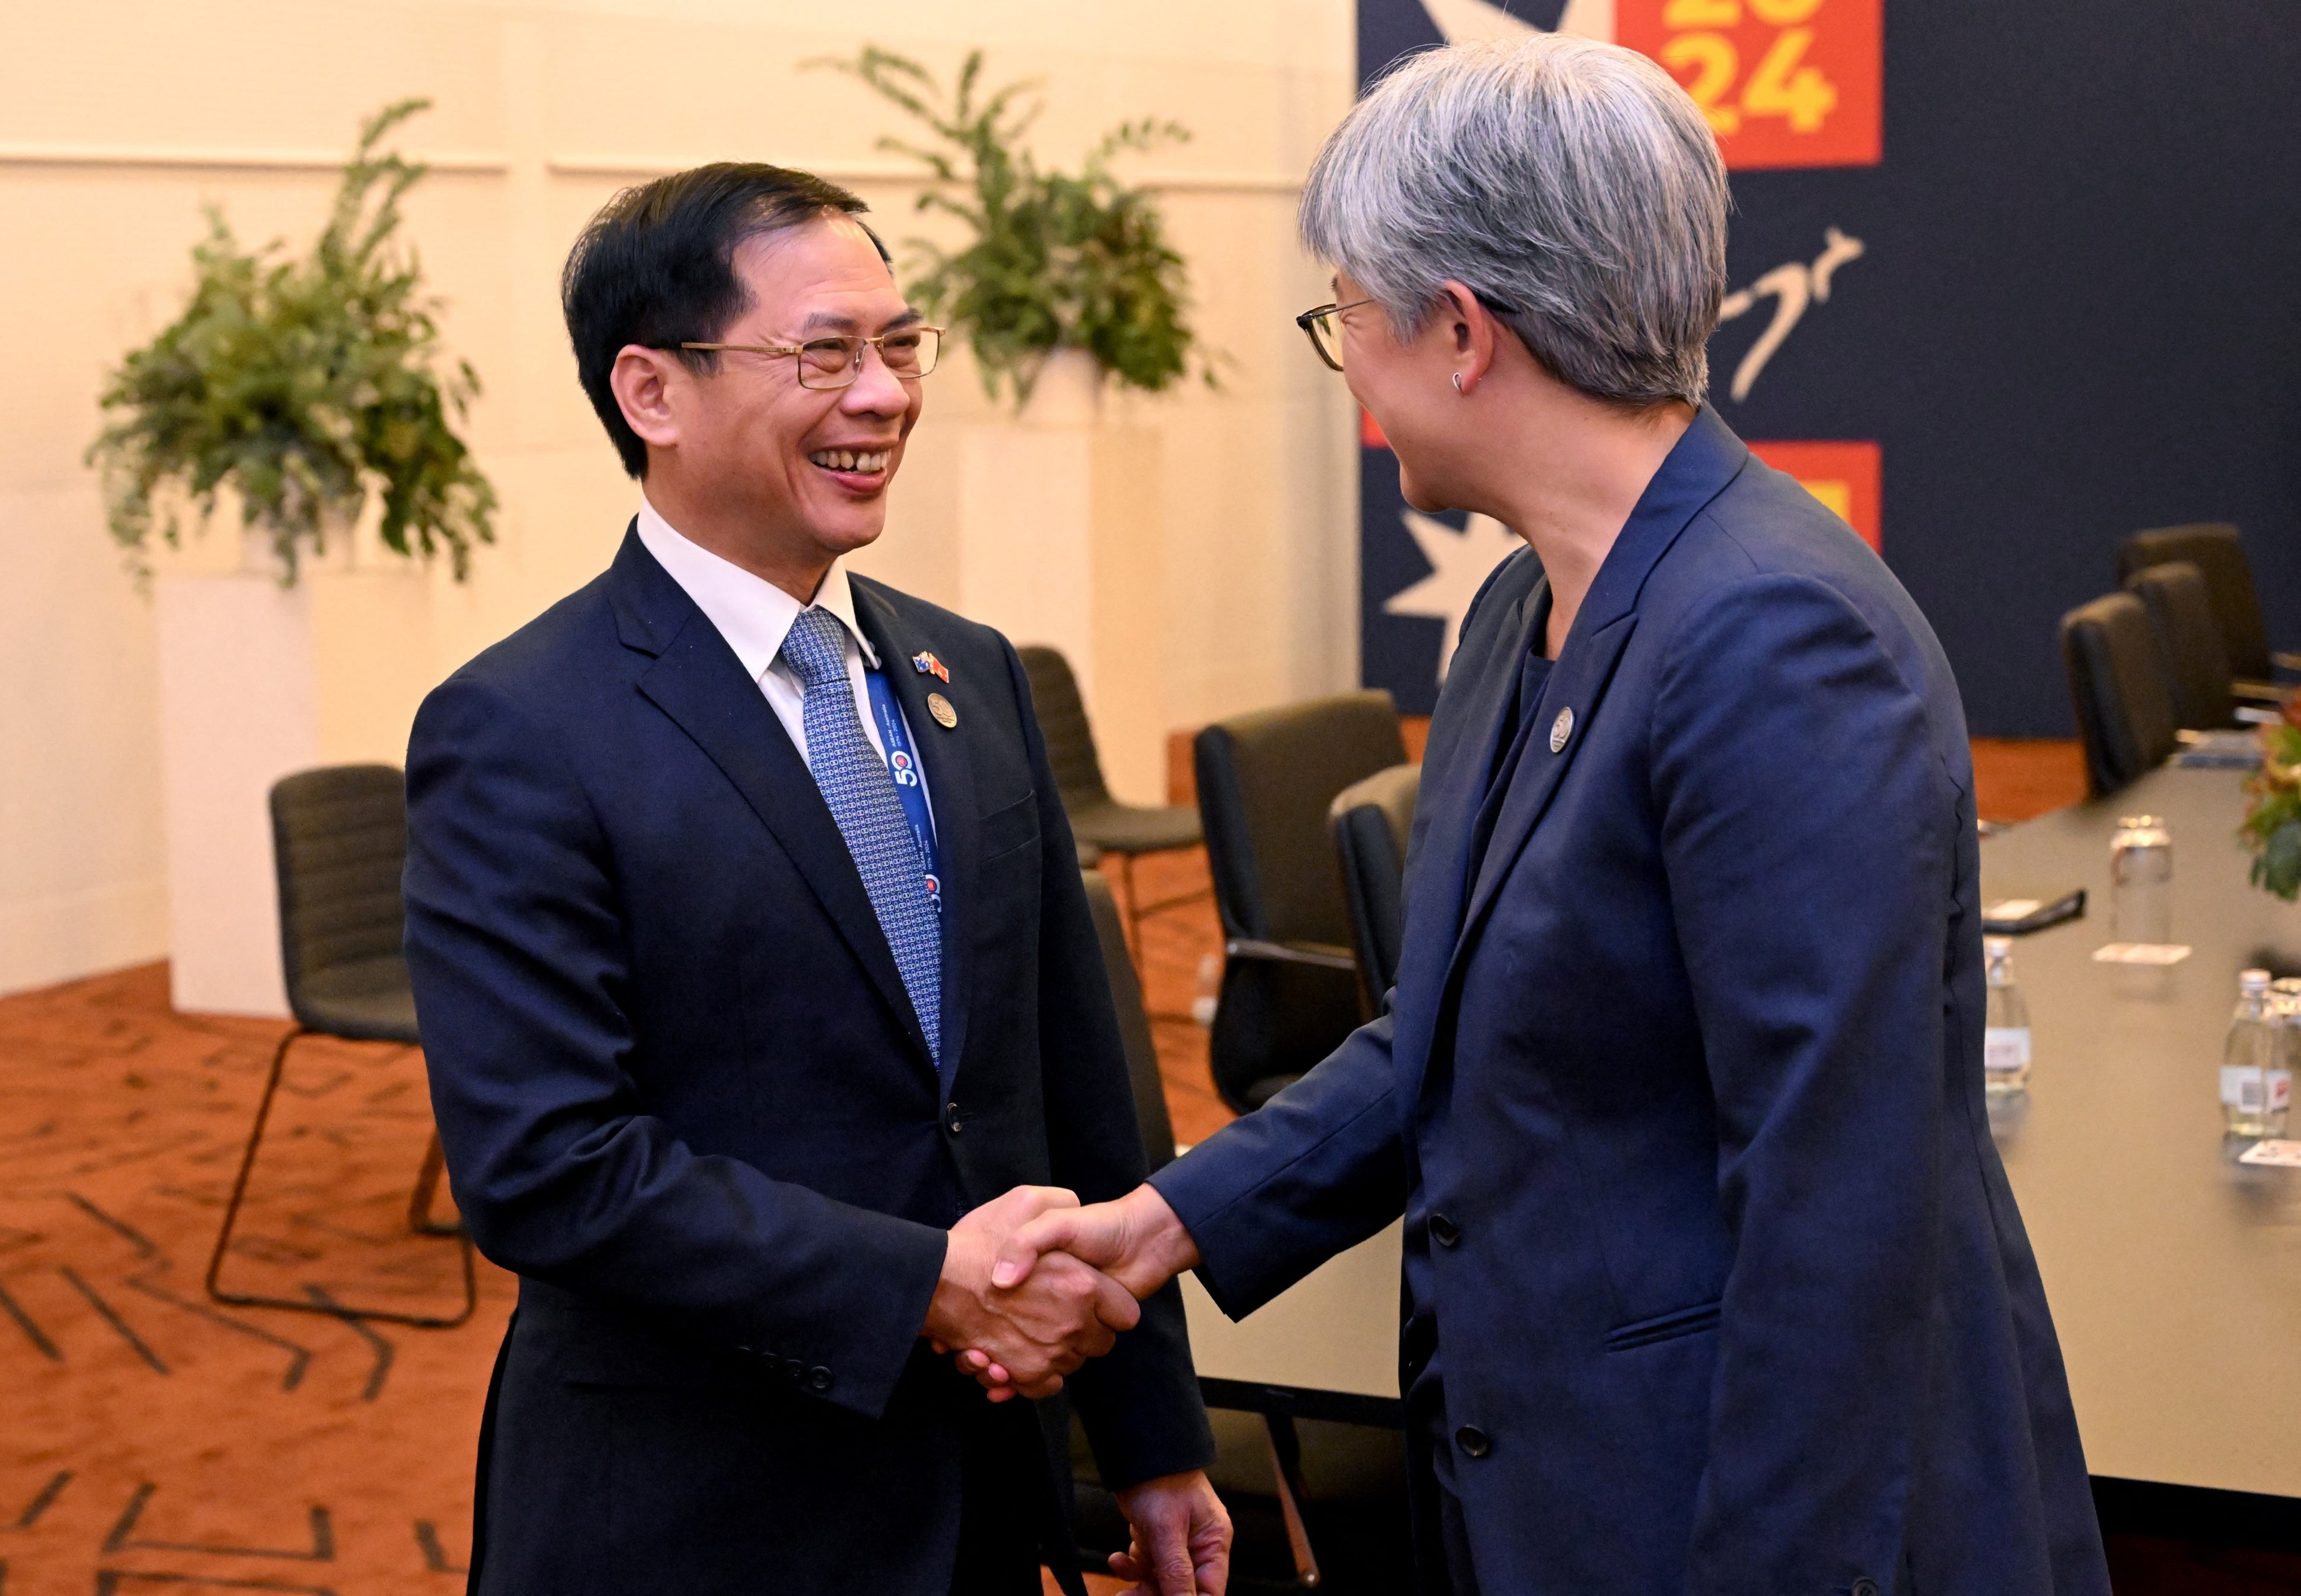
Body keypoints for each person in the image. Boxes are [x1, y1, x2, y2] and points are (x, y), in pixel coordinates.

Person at [978, 37, 2110, 1596]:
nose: (1348, 369)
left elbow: (1834, 1220)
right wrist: (1164, 1222)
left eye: (1346, 318)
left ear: (1459, 332)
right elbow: (1455, 1031)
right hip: (1564, 1486)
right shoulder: (1524, 608)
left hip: (1728, 1513)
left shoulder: (1778, 638)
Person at [402, 162, 1229, 1596]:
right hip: (701, 1510)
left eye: (899, 346)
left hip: (975, 1485)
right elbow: (547, 1166)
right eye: (825, 353)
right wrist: (922, 1283)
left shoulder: (965, 670)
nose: (884, 395)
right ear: (651, 393)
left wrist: (1150, 1435)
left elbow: (1074, 1080)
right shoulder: (524, 726)